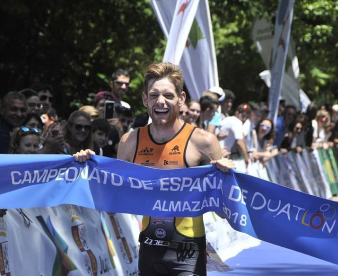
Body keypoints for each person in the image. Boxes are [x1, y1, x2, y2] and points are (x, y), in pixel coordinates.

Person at [74, 62, 234, 276]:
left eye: (168, 95)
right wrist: (90, 165)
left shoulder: (203, 141)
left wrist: (228, 175)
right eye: (154, 95)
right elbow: (113, 202)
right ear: (144, 99)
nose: (161, 102)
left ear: (181, 98)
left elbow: (224, 212)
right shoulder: (130, 141)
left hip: (188, 252)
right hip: (149, 250)